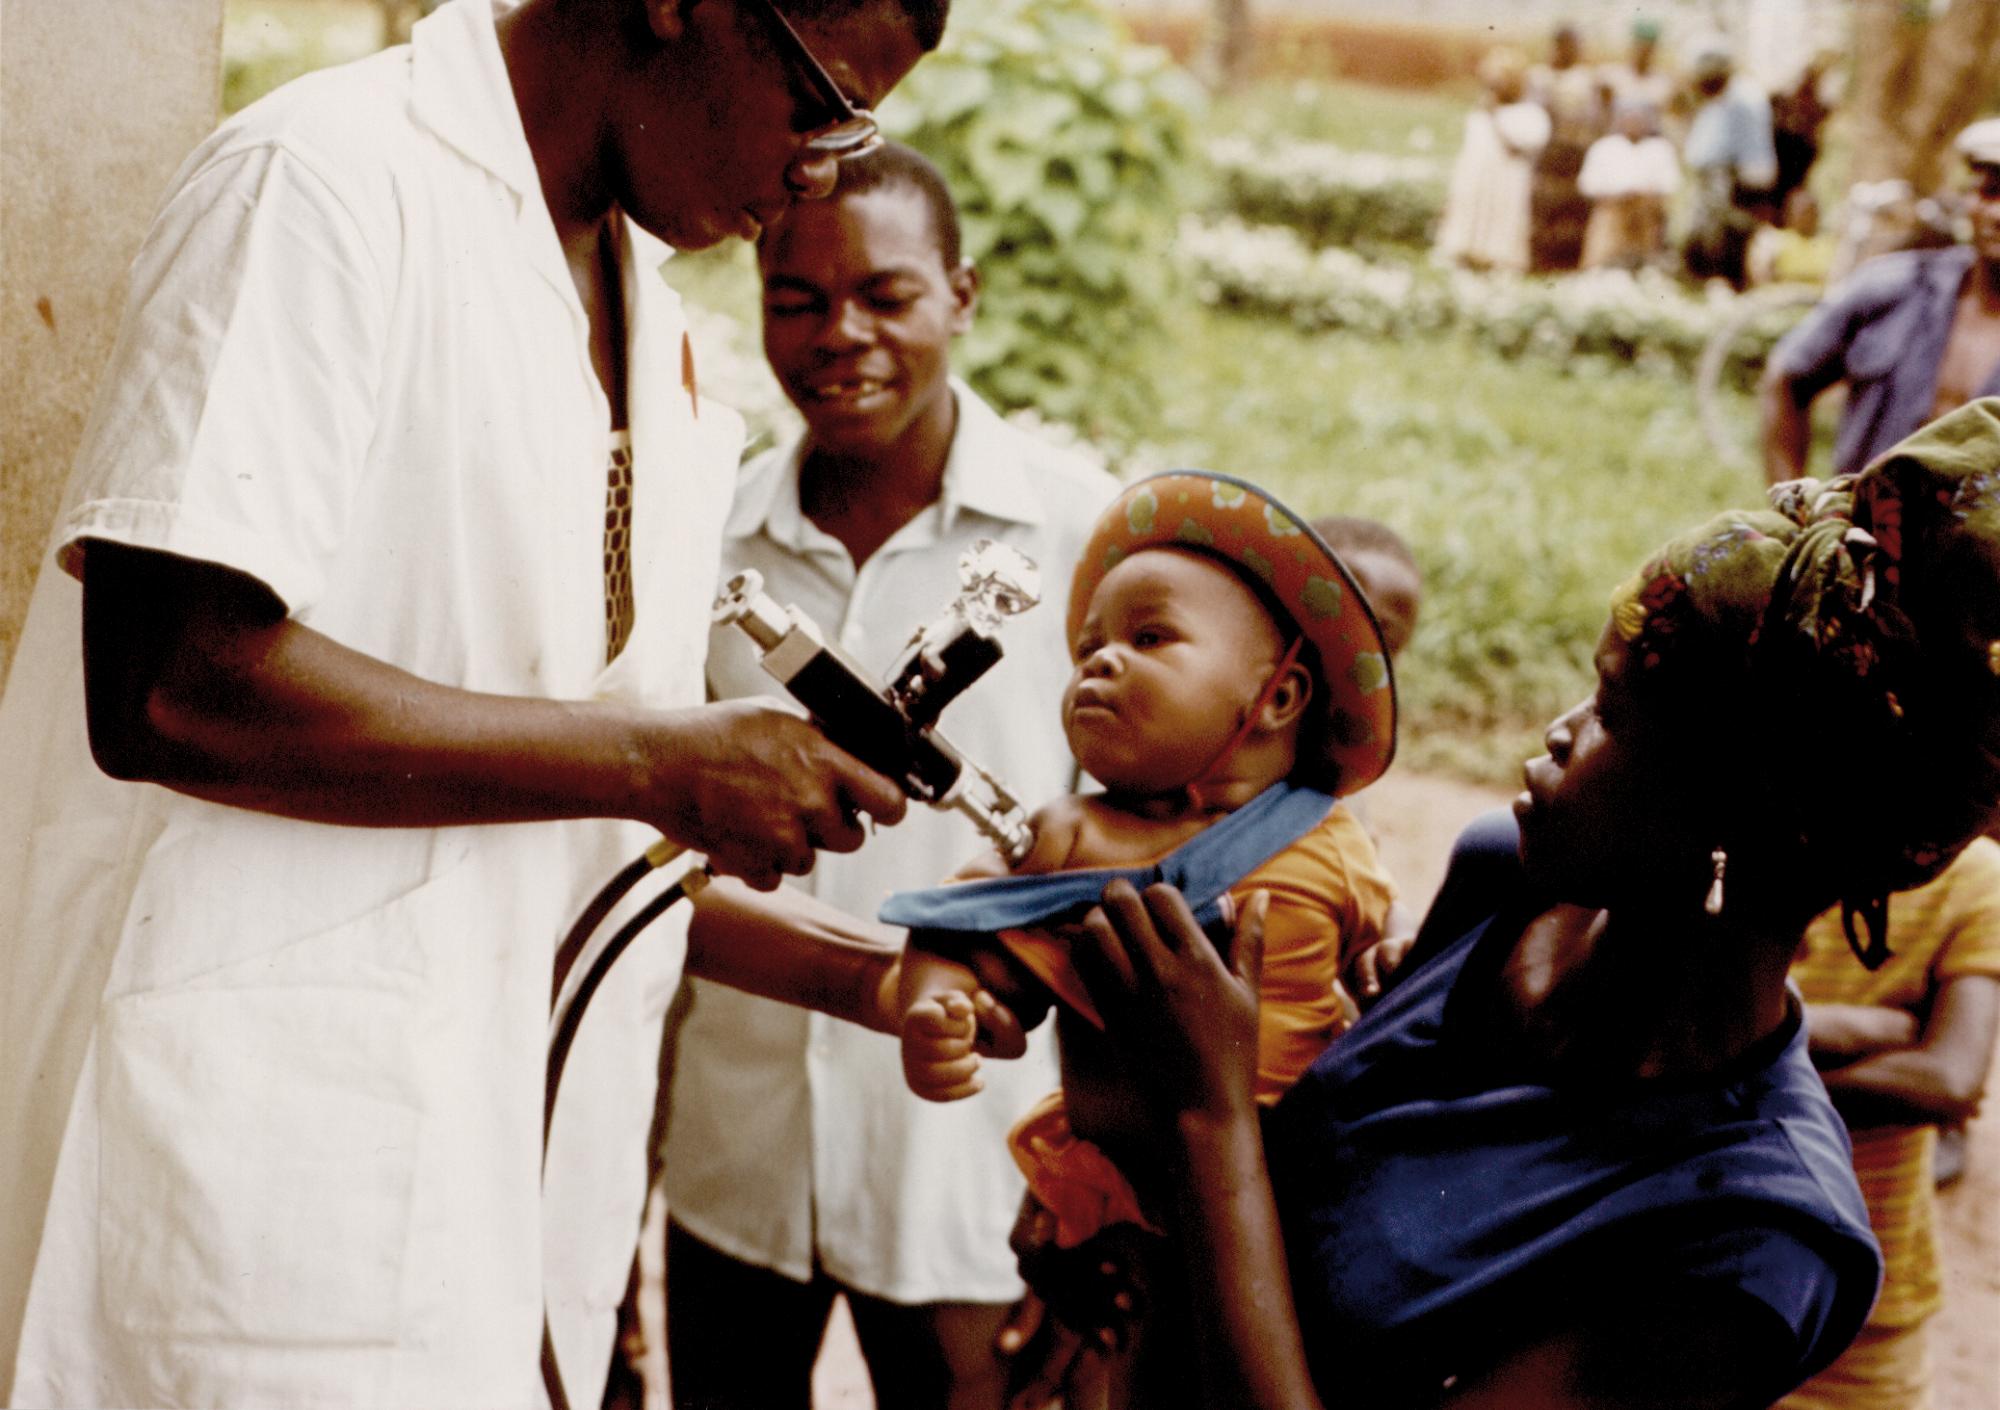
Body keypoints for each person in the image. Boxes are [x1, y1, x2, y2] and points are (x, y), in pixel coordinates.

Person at [0, 0, 952, 1404]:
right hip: (264, 1199)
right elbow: (168, 683)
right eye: (822, 100)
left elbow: (560, 825)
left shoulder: (652, 326)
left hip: (496, 1197)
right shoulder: (320, 182)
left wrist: (872, 974)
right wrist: (658, 762)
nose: (820, 169)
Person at [1013, 398, 2000, 1409]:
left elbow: (1230, 1155)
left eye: (1613, 714)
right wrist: (1105, 1199)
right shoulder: (1503, 886)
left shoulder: (1751, 1238)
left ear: (1733, 817)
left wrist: (1204, 1122)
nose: (1559, 730)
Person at [656, 143, 1120, 1410]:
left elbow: (1142, 863)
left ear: (960, 296)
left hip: (978, 1171)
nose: (839, 336)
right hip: (734, 1155)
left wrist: (1097, 1196)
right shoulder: (706, 542)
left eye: (885, 295)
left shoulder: (1085, 541)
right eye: (796, 300)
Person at [889, 471, 1398, 1408]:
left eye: (1149, 638)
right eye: (1090, 648)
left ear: (1279, 697)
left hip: (1290, 1207)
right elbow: (952, 929)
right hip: (1124, 1213)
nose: (1100, 663)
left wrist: (1386, 968)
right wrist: (938, 1011)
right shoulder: (1069, 836)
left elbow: (1381, 967)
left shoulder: (1333, 843)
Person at [1781, 840, 2000, 1409]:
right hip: (1702, 1274)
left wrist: (1748, 1077)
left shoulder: (1972, 876)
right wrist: (1847, 1027)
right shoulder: (1740, 843)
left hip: (1871, 1303)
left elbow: (1949, 1080)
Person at [1761, 120, 2000, 484]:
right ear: (1968, 199)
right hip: (1861, 518)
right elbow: (1788, 377)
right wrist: (1795, 503)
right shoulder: (1892, 288)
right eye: (1990, 193)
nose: (1997, 215)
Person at [1435, 48, 1550, 275]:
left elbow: (1515, 149)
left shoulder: (1528, 114)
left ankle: (1498, 262)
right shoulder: (1479, 114)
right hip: (1478, 176)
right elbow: (1471, 151)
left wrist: (1495, 115)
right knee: (1471, 215)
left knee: (1501, 220)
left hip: (1507, 180)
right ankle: (1465, 256)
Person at [1681, 35, 1779, 290]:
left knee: (1725, 233)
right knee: (1704, 231)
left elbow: (1752, 149)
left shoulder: (1743, 97)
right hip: (1715, 175)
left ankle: (1726, 283)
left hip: (1732, 176)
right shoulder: (1718, 96)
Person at [1528, 22, 1607, 275]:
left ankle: (1568, 258)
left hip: (1575, 150)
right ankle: (1542, 257)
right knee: (1545, 203)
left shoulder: (1586, 79)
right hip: (1548, 150)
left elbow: (1593, 118)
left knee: (1573, 205)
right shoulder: (1539, 77)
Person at [1576, 102, 1679, 271]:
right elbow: (1587, 183)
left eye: (1640, 119)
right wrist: (1615, 196)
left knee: (1647, 263)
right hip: (1612, 209)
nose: (1634, 124)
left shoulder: (1660, 148)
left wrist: (1645, 194)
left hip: (1646, 211)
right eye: (1630, 118)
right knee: (1600, 262)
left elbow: (1670, 183)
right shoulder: (1604, 147)